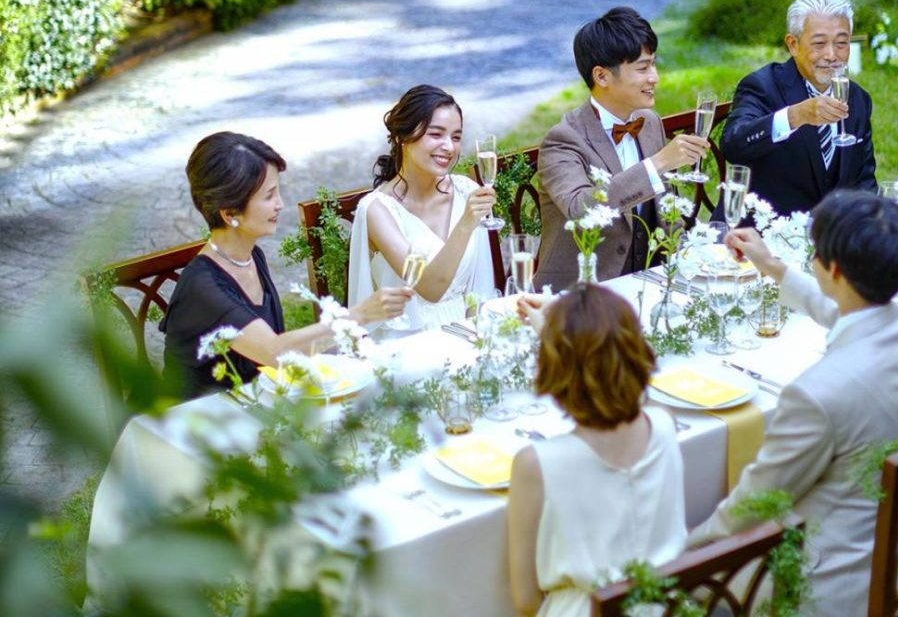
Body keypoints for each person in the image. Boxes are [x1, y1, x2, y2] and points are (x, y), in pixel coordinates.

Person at [686, 190, 898, 617]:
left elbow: (757, 502)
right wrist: (772, 267)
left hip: (827, 590)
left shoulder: (817, 394)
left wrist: (683, 551)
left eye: (814, 253)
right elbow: (852, 314)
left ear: (836, 270)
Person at [161, 131, 402, 398]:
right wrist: (360, 315)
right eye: (269, 196)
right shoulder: (202, 289)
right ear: (230, 214)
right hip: (198, 424)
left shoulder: (252, 256)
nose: (280, 204)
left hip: (257, 404)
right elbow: (275, 353)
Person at [507, 286, 686, 617]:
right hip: (668, 607)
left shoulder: (536, 465)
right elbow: (637, 397)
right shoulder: (665, 424)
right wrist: (566, 333)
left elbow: (525, 601)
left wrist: (560, 339)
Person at [536, 7, 710, 290]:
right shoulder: (563, 139)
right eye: (642, 68)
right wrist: (657, 164)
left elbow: (665, 214)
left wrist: (689, 259)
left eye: (654, 64)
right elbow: (582, 210)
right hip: (580, 295)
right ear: (602, 76)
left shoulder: (649, 122)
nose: (654, 77)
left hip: (649, 283)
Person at [347, 85, 497, 331]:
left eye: (456, 137)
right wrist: (466, 224)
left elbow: (479, 291)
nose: (449, 147)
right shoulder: (377, 210)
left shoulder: (465, 191)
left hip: (467, 332)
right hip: (408, 342)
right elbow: (430, 288)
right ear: (401, 137)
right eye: (436, 134)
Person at [717, 0, 877, 218]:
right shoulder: (762, 86)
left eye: (841, 43)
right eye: (819, 44)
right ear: (793, 45)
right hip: (763, 235)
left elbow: (864, 181)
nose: (832, 55)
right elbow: (733, 145)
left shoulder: (859, 100)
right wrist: (794, 116)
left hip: (830, 241)